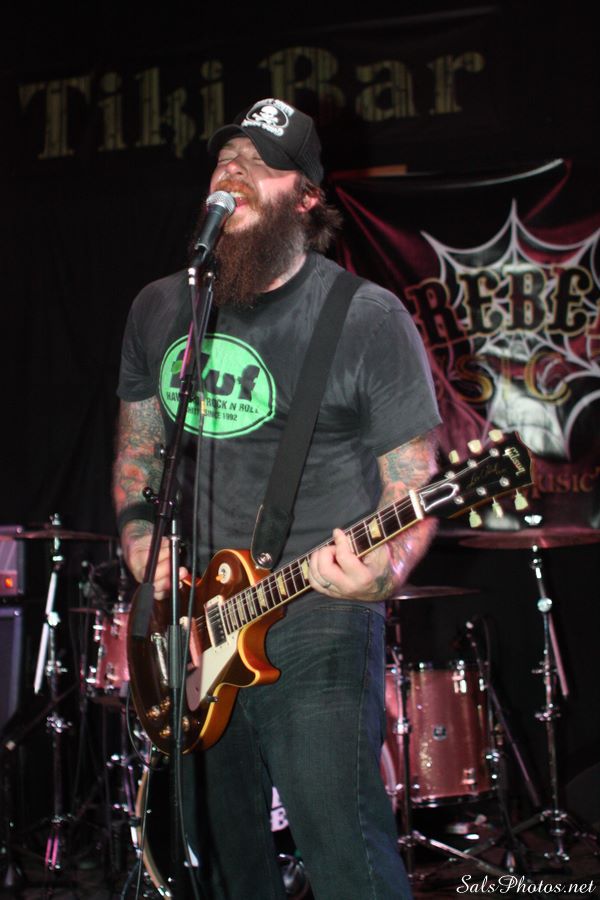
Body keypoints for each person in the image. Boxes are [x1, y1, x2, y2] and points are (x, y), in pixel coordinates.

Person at [113, 97, 441, 899]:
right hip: (193, 624)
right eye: (226, 158)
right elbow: (139, 452)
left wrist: (382, 570)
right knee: (224, 870)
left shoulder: (365, 318)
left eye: (261, 163)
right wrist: (140, 544)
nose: (233, 170)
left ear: (306, 198)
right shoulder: (160, 308)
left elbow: (413, 486)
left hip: (316, 607)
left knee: (345, 855)